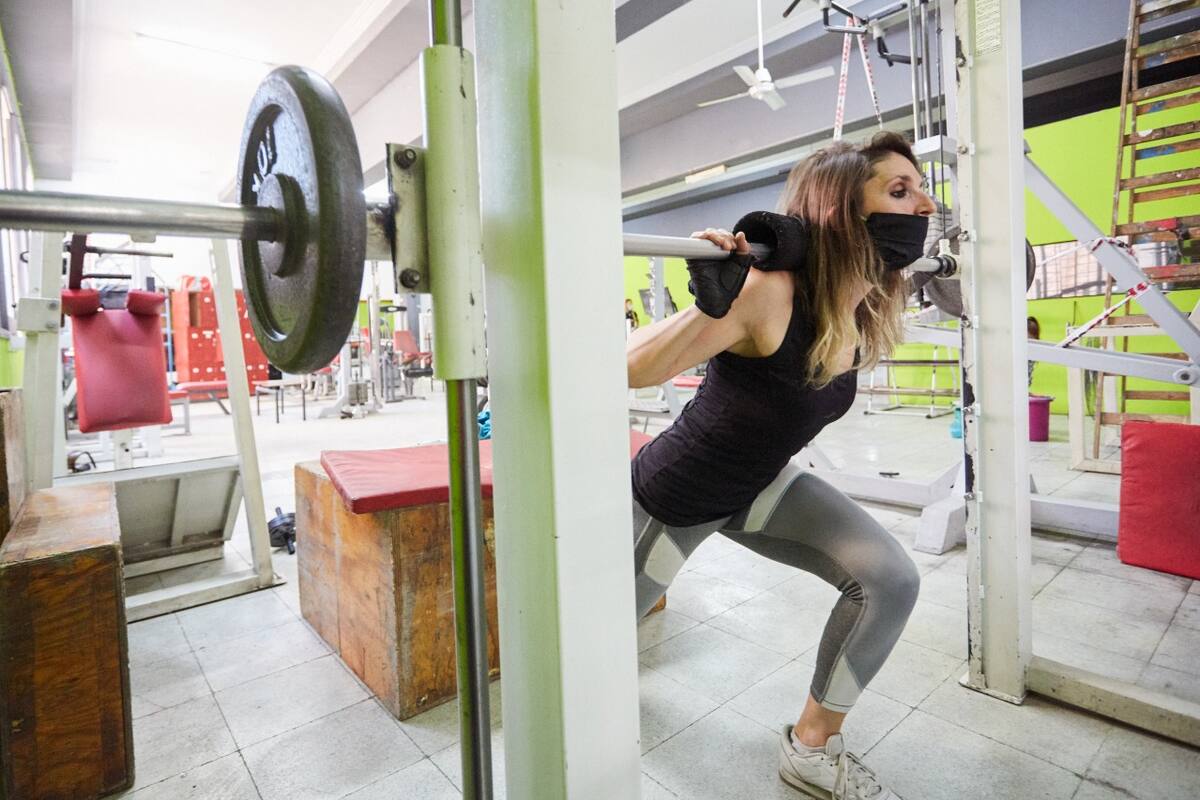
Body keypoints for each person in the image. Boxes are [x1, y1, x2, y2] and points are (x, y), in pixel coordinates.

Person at [626, 131, 935, 800]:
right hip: (677, 494)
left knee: (889, 580)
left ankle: (812, 747)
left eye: (921, 189)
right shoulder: (768, 290)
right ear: (842, 212)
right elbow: (628, 367)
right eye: (900, 191)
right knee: (594, 647)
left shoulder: (862, 304)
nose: (925, 205)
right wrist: (706, 306)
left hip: (759, 483)